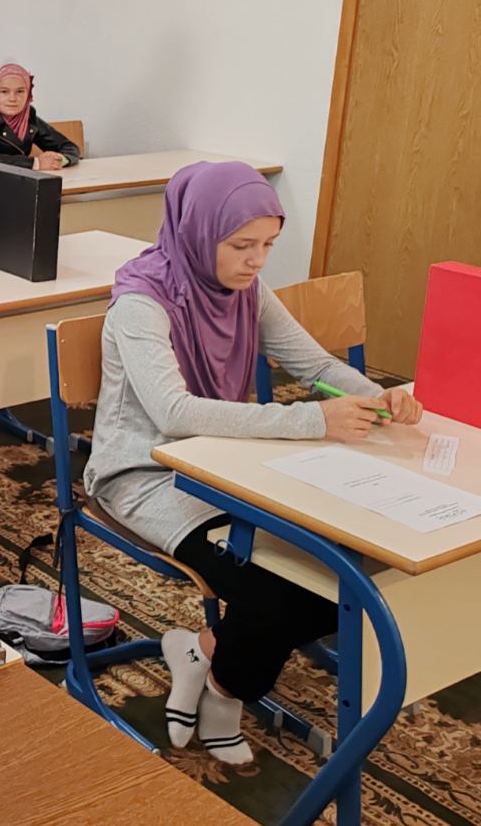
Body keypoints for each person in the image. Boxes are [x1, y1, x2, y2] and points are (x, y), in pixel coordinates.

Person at [85, 162, 422, 763]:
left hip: (227, 462)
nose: (257, 261)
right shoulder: (141, 302)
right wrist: (313, 421)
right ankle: (227, 692)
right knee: (279, 594)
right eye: (242, 245)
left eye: (268, 245)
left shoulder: (245, 290)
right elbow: (173, 413)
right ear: (197, 231)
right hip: (144, 475)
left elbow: (316, 367)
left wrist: (377, 396)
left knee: (339, 579)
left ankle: (205, 658)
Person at [0, 63, 79, 170]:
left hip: (21, 180)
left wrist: (60, 160)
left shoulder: (28, 117)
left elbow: (69, 147)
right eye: (4, 92)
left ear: (28, 94)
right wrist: (35, 163)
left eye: (19, 91)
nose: (12, 98)